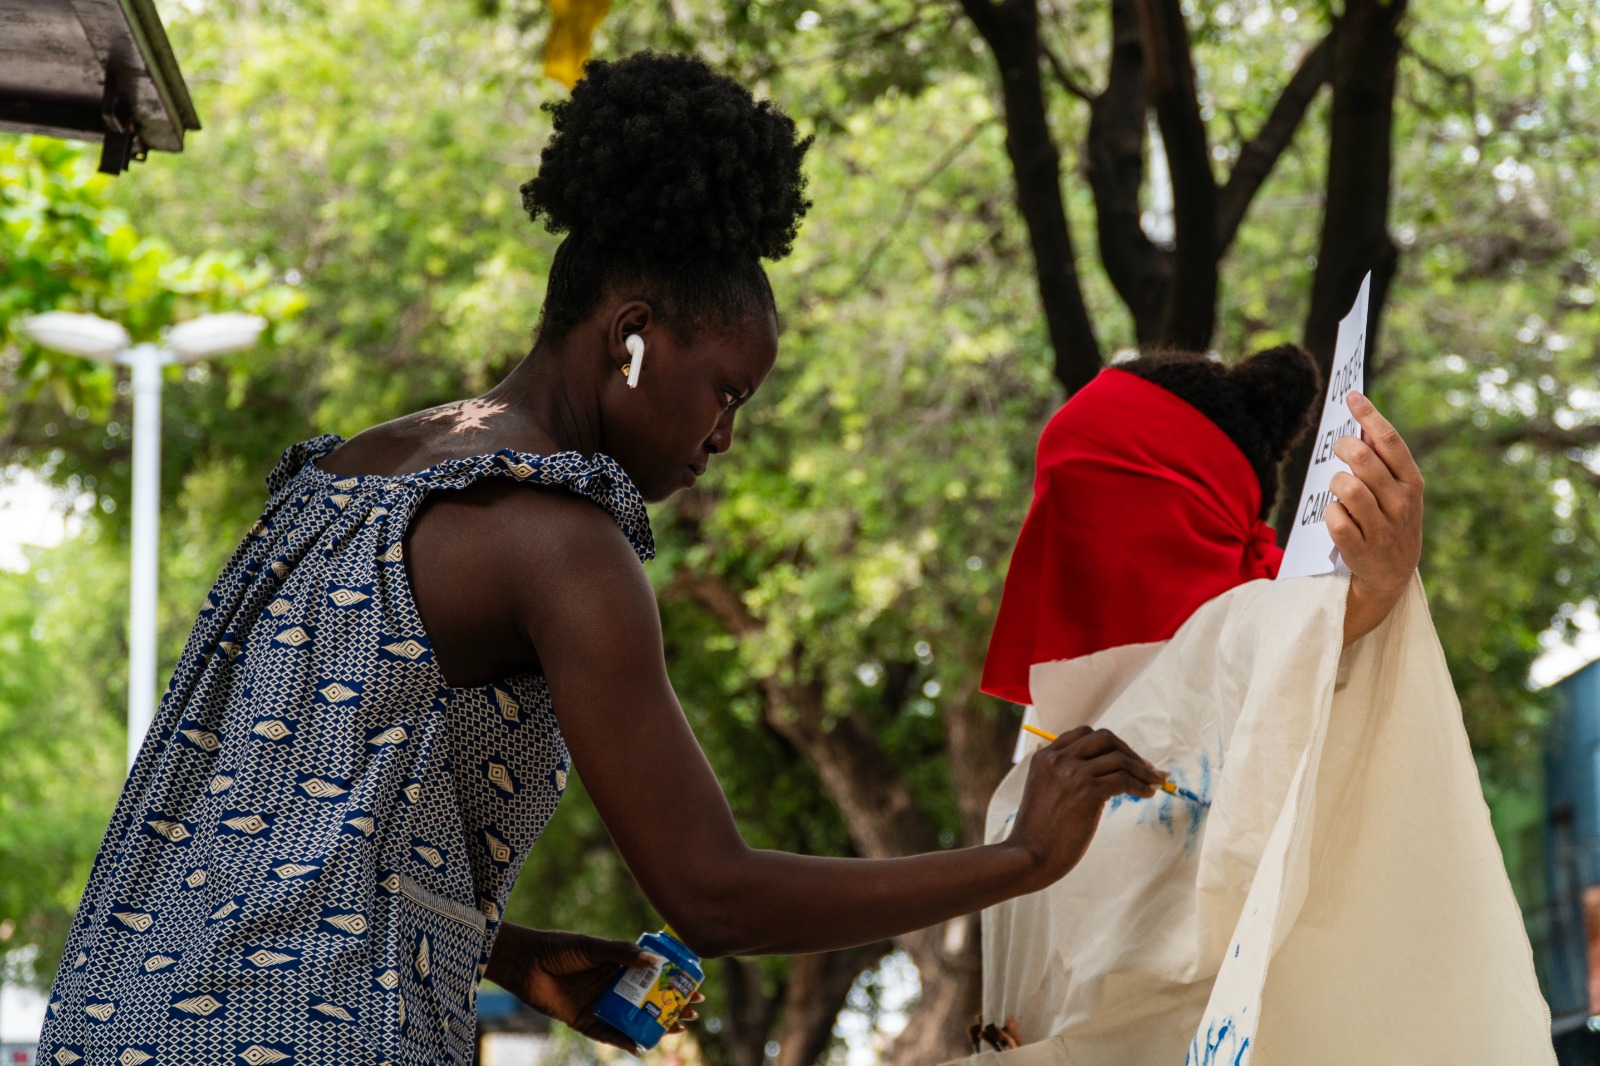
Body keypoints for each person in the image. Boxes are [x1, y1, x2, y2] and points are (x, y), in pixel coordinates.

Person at [37, 52, 1164, 1066]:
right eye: (726, 391)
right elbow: (711, 892)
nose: (723, 437)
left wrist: (502, 948)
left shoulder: (343, 477)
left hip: (115, 1020)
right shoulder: (561, 536)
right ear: (628, 336)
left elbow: (282, 828)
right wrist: (1019, 858)